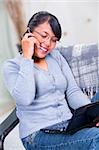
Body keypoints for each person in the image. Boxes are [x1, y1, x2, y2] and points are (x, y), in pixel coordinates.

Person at [3, 11, 99, 150]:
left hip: (68, 125)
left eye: (54, 40)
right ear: (29, 32)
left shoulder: (55, 56)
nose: (48, 43)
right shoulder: (12, 66)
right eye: (44, 36)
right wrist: (27, 57)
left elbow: (72, 91)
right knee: (96, 137)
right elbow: (25, 99)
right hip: (38, 134)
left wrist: (91, 115)